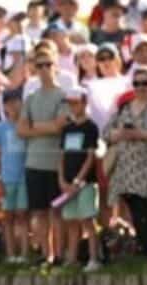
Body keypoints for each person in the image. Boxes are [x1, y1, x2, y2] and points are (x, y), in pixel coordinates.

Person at [105, 65, 147, 258]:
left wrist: (140, 134)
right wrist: (121, 133)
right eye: (136, 83)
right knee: (136, 210)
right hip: (128, 169)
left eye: (145, 83)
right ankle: (143, 248)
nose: (140, 87)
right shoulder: (125, 106)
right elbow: (107, 132)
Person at [18, 50, 66, 264]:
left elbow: (60, 126)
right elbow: (21, 129)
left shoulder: (64, 96)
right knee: (39, 213)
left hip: (56, 164)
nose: (44, 69)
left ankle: (60, 254)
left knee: (57, 212)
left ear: (56, 66)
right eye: (40, 66)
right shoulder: (31, 98)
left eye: (48, 64)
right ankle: (47, 255)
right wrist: (46, 127)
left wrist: (34, 127)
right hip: (34, 162)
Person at [58, 86, 101, 271]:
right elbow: (61, 156)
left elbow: (90, 157)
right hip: (67, 184)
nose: (72, 107)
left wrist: (78, 181)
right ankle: (72, 259)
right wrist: (62, 180)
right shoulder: (66, 128)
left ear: (84, 102)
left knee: (87, 221)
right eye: (69, 103)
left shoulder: (91, 127)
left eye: (75, 103)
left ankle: (94, 259)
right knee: (72, 222)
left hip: (85, 183)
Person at [0, 89, 29, 263]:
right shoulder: (0, 127)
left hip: (24, 178)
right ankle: (10, 254)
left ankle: (24, 253)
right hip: (7, 179)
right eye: (9, 103)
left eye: (17, 102)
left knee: (23, 215)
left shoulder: (27, 124)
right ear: (4, 107)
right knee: (7, 217)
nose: (13, 106)